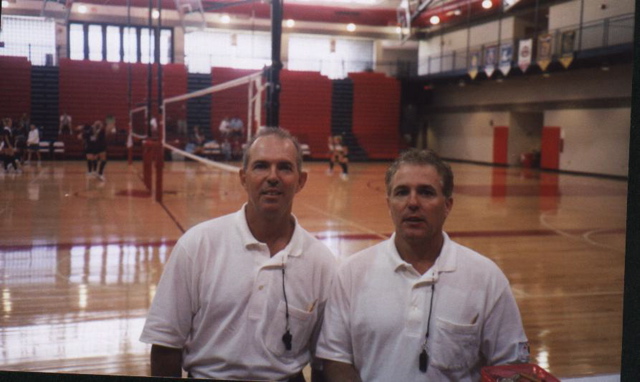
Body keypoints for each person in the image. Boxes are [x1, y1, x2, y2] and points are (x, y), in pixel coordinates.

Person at [140, 127, 337, 381]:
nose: (273, 177)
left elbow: (325, 361)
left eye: (285, 168)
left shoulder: (321, 262)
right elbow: (165, 346)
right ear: (243, 177)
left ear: (301, 180)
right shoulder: (198, 245)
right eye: (261, 166)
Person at [316, 148, 529, 382]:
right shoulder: (351, 273)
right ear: (389, 204)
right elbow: (335, 359)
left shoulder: (487, 277)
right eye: (402, 192)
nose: (413, 202)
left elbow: (511, 366)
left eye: (426, 193)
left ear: (448, 205)